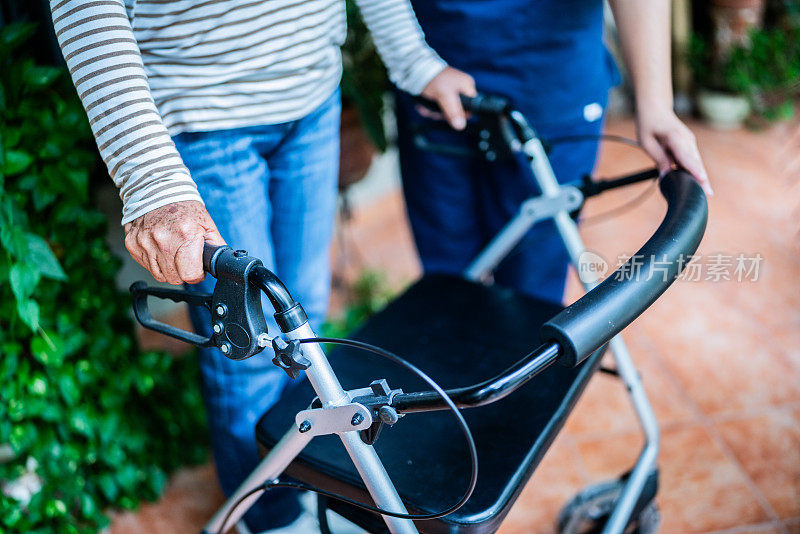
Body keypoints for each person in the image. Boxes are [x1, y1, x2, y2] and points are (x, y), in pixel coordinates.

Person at [49, 1, 469, 531]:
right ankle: (266, 517)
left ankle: (302, 488)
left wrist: (415, 61)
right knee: (249, 350)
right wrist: (149, 177)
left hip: (313, 96)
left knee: (304, 323)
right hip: (204, 116)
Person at [396, 0, 713, 304]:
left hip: (553, 84)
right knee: (444, 278)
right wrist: (413, 60)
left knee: (533, 284)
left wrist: (656, 105)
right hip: (432, 82)